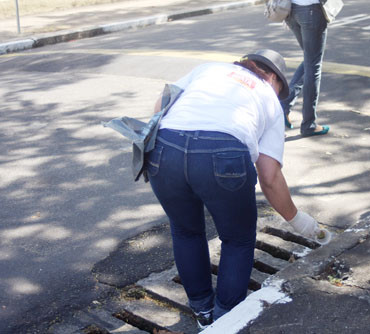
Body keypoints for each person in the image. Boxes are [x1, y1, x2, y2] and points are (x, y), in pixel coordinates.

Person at [146, 49, 322, 330]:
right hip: (222, 151)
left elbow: (159, 107)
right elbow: (270, 176)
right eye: (280, 89)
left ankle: (202, 310)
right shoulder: (270, 100)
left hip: (164, 148)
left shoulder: (208, 69)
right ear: (274, 79)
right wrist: (298, 221)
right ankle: (226, 317)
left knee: (185, 230)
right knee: (237, 239)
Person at [281, 0, 344, 137]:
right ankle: (309, 124)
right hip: (311, 11)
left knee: (310, 60)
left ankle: (283, 108)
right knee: (313, 66)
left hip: (291, 11)